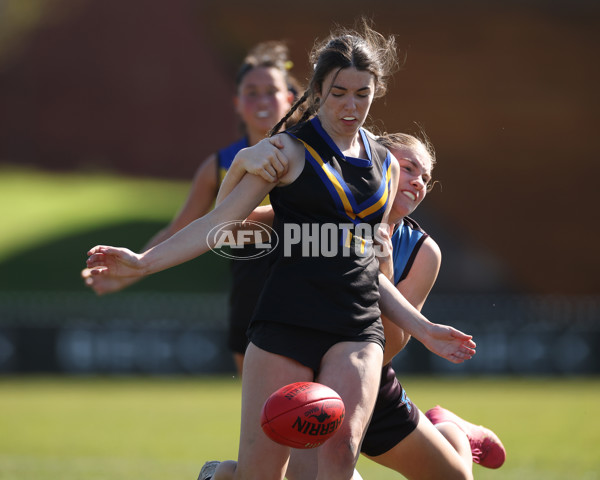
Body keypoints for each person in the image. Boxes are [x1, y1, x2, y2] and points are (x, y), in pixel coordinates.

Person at [86, 20, 476, 480]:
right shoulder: (287, 150)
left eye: (362, 94)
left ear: (376, 92)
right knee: (261, 475)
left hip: (355, 330)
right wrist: (143, 262)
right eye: (338, 93)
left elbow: (368, 269)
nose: (351, 106)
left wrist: (424, 329)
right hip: (285, 324)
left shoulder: (386, 165)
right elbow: (220, 222)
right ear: (317, 90)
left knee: (340, 452)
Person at [199, 132, 505, 480]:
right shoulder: (312, 212)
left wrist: (384, 268)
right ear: (376, 167)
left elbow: (390, 345)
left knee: (457, 478)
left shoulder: (423, 250)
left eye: (425, 178)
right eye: (409, 168)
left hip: (362, 379)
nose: (418, 182)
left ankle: (450, 428)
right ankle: (220, 475)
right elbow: (226, 228)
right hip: (298, 367)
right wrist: (241, 163)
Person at [81, 40, 300, 375]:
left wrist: (245, 221)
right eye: (251, 92)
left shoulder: (309, 156)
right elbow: (179, 230)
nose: (261, 100)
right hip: (248, 301)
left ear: (289, 98)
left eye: (271, 90)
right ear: (237, 103)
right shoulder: (218, 165)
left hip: (304, 291)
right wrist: (128, 274)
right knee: (264, 417)